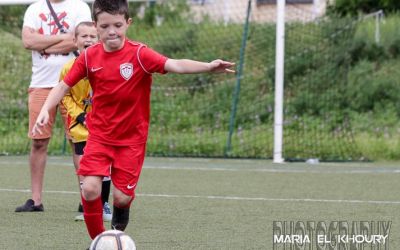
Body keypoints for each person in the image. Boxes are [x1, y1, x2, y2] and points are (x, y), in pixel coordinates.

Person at [32, 0, 235, 241]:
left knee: (122, 198)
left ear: (128, 23)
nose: (112, 32)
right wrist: (46, 107)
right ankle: (99, 242)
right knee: (89, 189)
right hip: (98, 137)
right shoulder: (89, 57)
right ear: (96, 27)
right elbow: (63, 85)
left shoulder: (140, 54)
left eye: (118, 25)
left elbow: (174, 64)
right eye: (105, 26)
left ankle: (116, 233)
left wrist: (208, 66)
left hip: (131, 141)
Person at [15, 0, 92, 212]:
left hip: (74, 83)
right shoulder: (34, 9)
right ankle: (36, 200)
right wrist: (63, 38)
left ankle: (87, 199)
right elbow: (28, 41)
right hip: (40, 83)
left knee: (80, 142)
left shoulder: (80, 7)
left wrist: (44, 43)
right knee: (38, 141)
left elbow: (81, 41)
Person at [60, 21, 112, 221]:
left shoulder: (106, 66)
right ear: (75, 41)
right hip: (81, 126)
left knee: (103, 166)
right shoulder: (68, 69)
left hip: (103, 125)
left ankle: (104, 206)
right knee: (84, 166)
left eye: (92, 36)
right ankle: (89, 208)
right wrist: (81, 116)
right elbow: (64, 96)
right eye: (84, 36)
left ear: (99, 40)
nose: (88, 40)